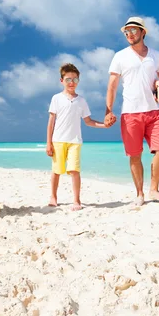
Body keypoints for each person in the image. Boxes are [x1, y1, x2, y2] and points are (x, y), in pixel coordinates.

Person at [105, 17, 159, 206]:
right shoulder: (120, 56)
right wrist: (108, 110)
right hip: (130, 113)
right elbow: (112, 86)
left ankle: (154, 189)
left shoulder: (156, 55)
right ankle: (140, 194)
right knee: (134, 155)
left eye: (133, 30)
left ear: (143, 32)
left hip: (154, 112)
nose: (130, 34)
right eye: (127, 31)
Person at [46, 63, 107, 211]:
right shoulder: (56, 98)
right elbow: (51, 122)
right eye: (68, 79)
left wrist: (104, 125)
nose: (71, 82)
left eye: (75, 79)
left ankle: (76, 200)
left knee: (74, 171)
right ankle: (53, 197)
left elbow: (88, 121)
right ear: (62, 81)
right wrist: (49, 143)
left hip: (75, 141)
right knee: (57, 170)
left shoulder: (81, 101)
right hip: (58, 140)